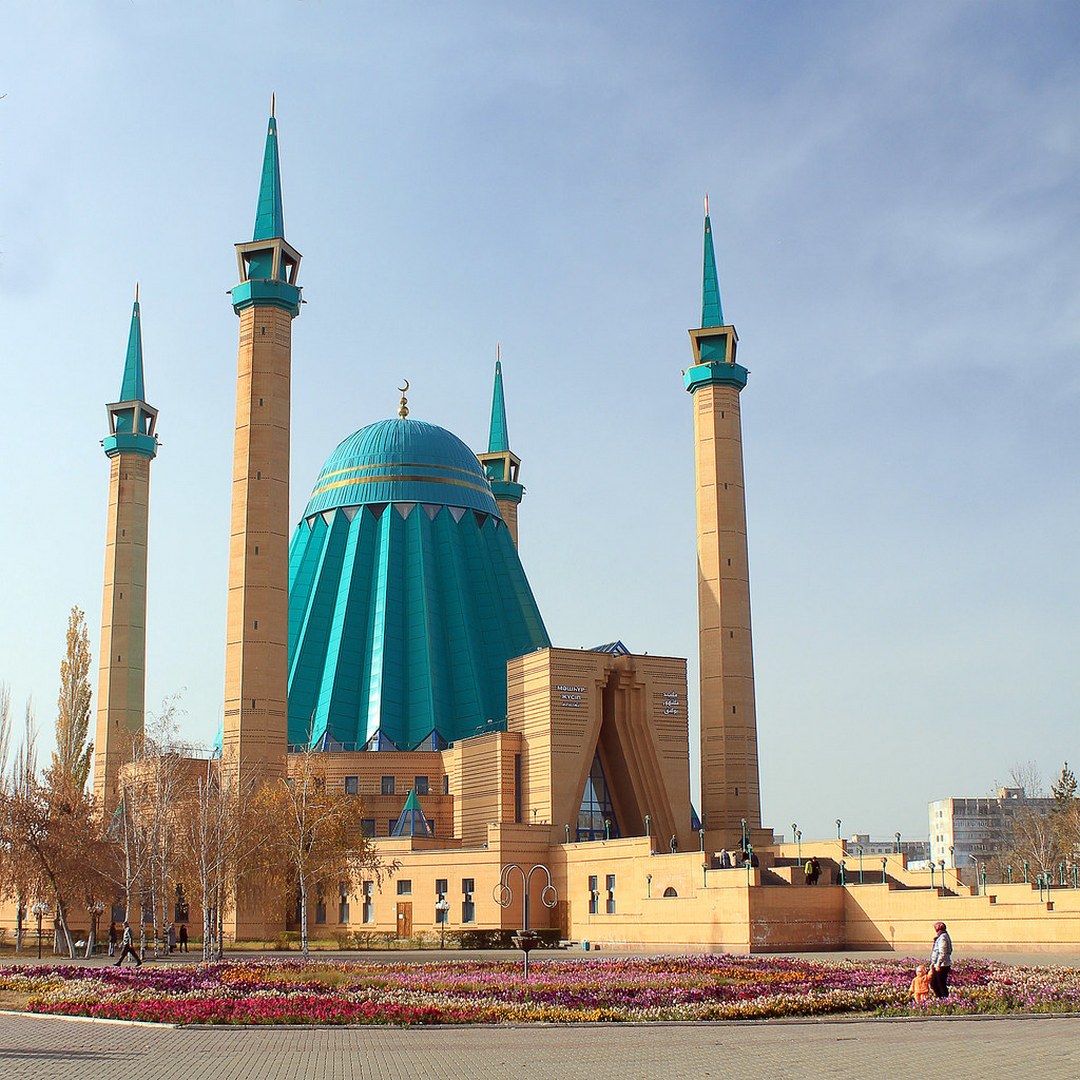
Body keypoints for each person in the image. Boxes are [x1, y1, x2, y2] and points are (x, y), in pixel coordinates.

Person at [929, 920, 952, 997]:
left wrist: (938, 964)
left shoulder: (943, 938)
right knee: (934, 983)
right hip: (938, 964)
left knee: (939, 984)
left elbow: (942, 952)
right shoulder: (941, 936)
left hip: (942, 965)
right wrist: (933, 963)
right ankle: (941, 998)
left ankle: (944, 999)